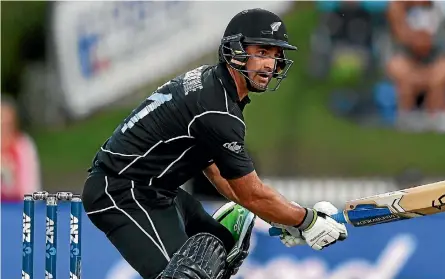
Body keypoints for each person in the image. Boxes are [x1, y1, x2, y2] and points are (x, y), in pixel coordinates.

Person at [81, 8, 348, 279]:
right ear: (234, 51)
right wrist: (306, 220)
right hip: (121, 192)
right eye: (262, 52)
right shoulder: (217, 112)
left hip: (158, 191)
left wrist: (285, 218)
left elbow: (218, 172)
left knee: (225, 249)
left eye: (276, 55)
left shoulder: (214, 87)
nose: (270, 64)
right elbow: (250, 194)